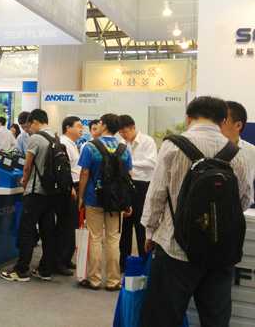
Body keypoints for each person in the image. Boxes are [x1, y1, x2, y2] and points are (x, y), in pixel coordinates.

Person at [140, 96, 252, 327]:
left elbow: (157, 194)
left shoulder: (173, 146)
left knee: (163, 317)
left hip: (174, 246)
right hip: (220, 251)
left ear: (189, 118)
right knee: (216, 318)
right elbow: (243, 200)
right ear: (223, 120)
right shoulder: (238, 152)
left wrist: (149, 231)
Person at [1, 109, 59, 282]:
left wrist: (24, 182)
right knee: (48, 231)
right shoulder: (55, 137)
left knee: (26, 230)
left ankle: (21, 270)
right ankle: (45, 270)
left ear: (34, 122)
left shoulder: (36, 138)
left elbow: (27, 166)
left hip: (35, 192)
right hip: (51, 192)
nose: (28, 130)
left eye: (29, 125)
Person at [78, 113, 132, 291]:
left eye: (100, 123)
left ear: (104, 125)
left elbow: (84, 173)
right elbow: (127, 175)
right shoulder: (124, 148)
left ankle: (94, 279)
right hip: (116, 201)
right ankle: (113, 281)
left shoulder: (90, 146)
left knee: (95, 238)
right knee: (113, 239)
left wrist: (81, 197)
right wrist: (127, 201)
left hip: (94, 197)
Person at [117, 115, 157, 271]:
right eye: (120, 132)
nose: (123, 135)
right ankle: (124, 263)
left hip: (142, 187)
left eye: (125, 131)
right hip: (126, 186)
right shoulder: (122, 143)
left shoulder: (147, 141)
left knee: (141, 226)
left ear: (133, 127)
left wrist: (130, 164)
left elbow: (152, 163)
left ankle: (144, 262)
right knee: (125, 227)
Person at [58, 116, 84, 270]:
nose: (82, 129)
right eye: (78, 126)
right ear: (68, 128)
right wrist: (70, 187)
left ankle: (66, 258)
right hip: (69, 187)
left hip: (75, 185)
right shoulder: (63, 143)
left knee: (73, 224)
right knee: (66, 224)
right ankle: (60, 261)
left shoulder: (72, 144)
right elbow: (64, 169)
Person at [222, 101, 255, 206]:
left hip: (242, 210)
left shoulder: (251, 151)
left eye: (223, 120)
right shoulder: (208, 148)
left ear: (238, 125)